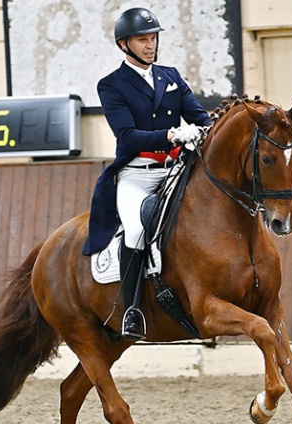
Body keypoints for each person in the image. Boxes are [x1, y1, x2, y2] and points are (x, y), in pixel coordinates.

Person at [83, 7, 212, 341]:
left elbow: (200, 117)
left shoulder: (170, 76)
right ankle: (132, 310)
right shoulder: (111, 85)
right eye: (143, 39)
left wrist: (203, 131)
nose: (150, 45)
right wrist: (170, 135)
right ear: (125, 44)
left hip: (175, 170)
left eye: (153, 38)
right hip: (137, 174)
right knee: (137, 229)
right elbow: (126, 136)